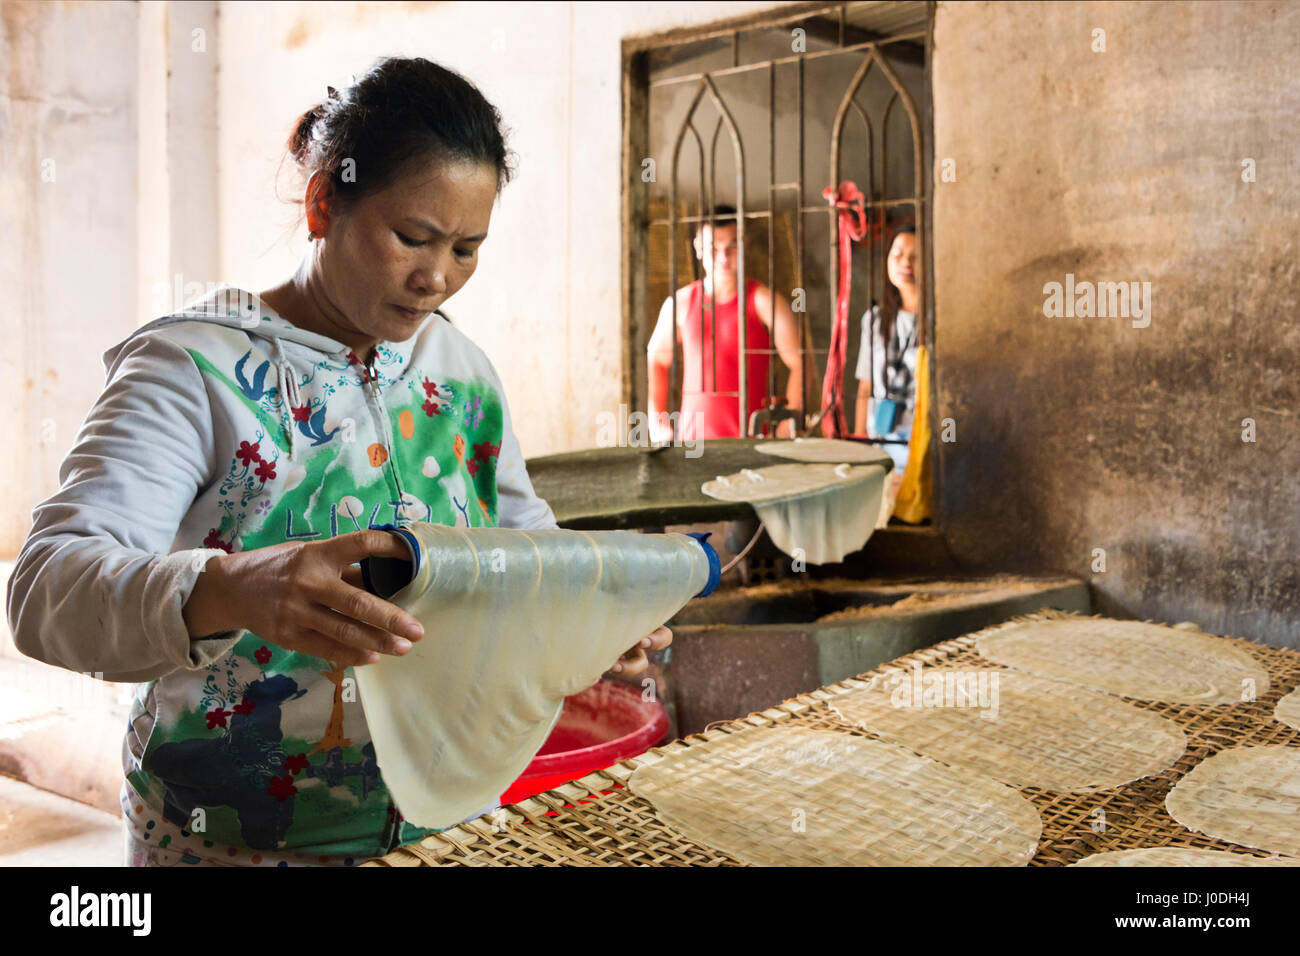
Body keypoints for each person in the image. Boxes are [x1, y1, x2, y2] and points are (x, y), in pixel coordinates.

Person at [4, 56, 669, 867]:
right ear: (325, 203)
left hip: (446, 825)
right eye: (413, 238)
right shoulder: (193, 369)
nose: (436, 279)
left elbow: (527, 553)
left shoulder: (459, 375)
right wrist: (228, 588)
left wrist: (587, 617)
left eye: (467, 249)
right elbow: (46, 589)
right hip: (231, 839)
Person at [647, 205, 804, 440]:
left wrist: (788, 422)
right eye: (714, 248)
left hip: (751, 444)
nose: (723, 257)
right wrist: (658, 423)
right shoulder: (681, 303)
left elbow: (801, 362)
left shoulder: (763, 301)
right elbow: (656, 358)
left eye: (732, 247)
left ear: (745, 245)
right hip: (692, 446)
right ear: (698, 248)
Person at [855, 224, 920, 479]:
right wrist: (859, 443)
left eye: (915, 256)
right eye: (898, 253)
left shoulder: (938, 320)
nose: (906, 262)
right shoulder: (875, 320)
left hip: (918, 442)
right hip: (880, 441)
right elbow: (865, 386)